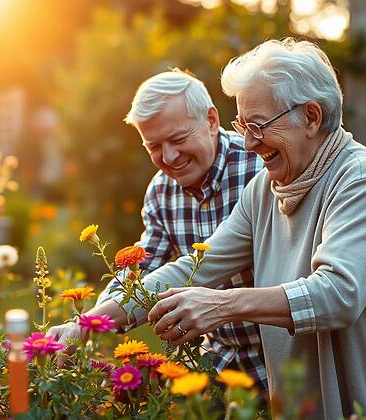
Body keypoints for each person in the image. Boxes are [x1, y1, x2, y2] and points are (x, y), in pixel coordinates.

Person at [129, 39, 366, 418]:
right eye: (243, 125)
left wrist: (222, 305)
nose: (247, 142)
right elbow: (195, 267)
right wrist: (88, 324)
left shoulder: (359, 178)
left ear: (310, 117)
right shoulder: (265, 189)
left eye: (258, 125)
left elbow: (338, 293)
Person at [47, 69, 267, 390]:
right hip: (219, 361)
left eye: (178, 139)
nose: (169, 157)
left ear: (211, 120)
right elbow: (142, 270)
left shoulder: (258, 167)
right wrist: (85, 324)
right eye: (153, 146)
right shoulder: (162, 192)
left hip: (282, 358)